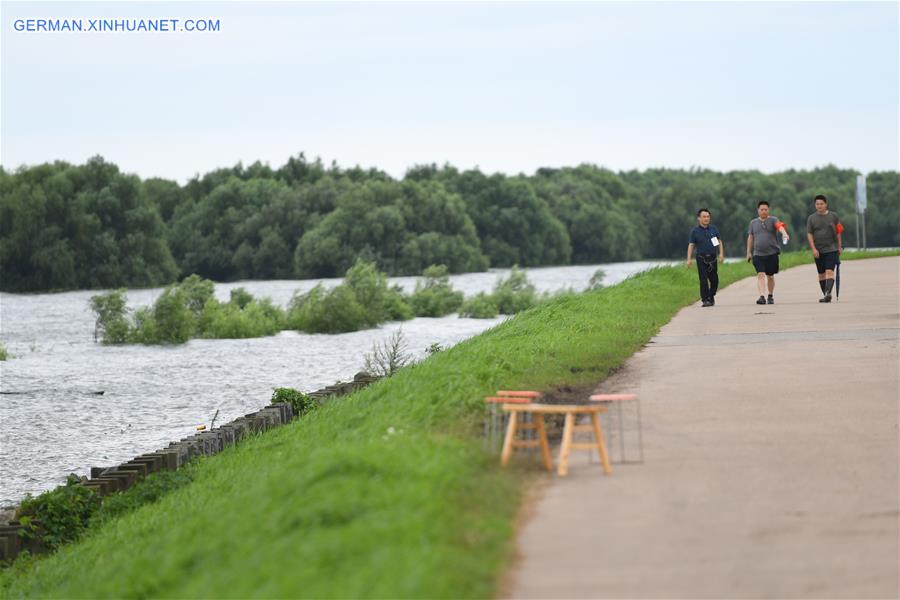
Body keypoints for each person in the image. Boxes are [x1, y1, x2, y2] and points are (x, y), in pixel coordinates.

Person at [745, 200, 789, 305]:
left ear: (768, 210)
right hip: (758, 254)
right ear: (758, 210)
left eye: (766, 209)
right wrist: (748, 252)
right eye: (762, 209)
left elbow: (780, 226)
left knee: (770, 276)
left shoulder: (773, 220)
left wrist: (784, 234)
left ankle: (770, 295)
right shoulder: (753, 223)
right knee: (760, 274)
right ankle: (761, 296)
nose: (764, 211)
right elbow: (750, 237)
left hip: (772, 253)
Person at [806, 194, 843, 303]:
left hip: (832, 248)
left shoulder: (834, 216)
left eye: (821, 204)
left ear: (826, 204)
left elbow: (839, 232)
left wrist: (839, 246)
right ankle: (825, 294)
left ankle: (828, 293)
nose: (819, 206)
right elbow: (809, 234)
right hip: (818, 250)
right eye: (817, 204)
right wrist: (813, 249)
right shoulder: (811, 218)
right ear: (815, 205)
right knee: (821, 274)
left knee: (829, 271)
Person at [686, 208, 724, 307]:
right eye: (704, 217)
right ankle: (705, 299)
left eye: (708, 217)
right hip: (701, 258)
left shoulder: (713, 229)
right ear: (699, 218)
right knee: (703, 280)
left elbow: (718, 242)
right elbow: (691, 245)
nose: (706, 218)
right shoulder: (695, 231)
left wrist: (721, 254)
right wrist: (689, 259)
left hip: (712, 258)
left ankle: (711, 296)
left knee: (714, 280)